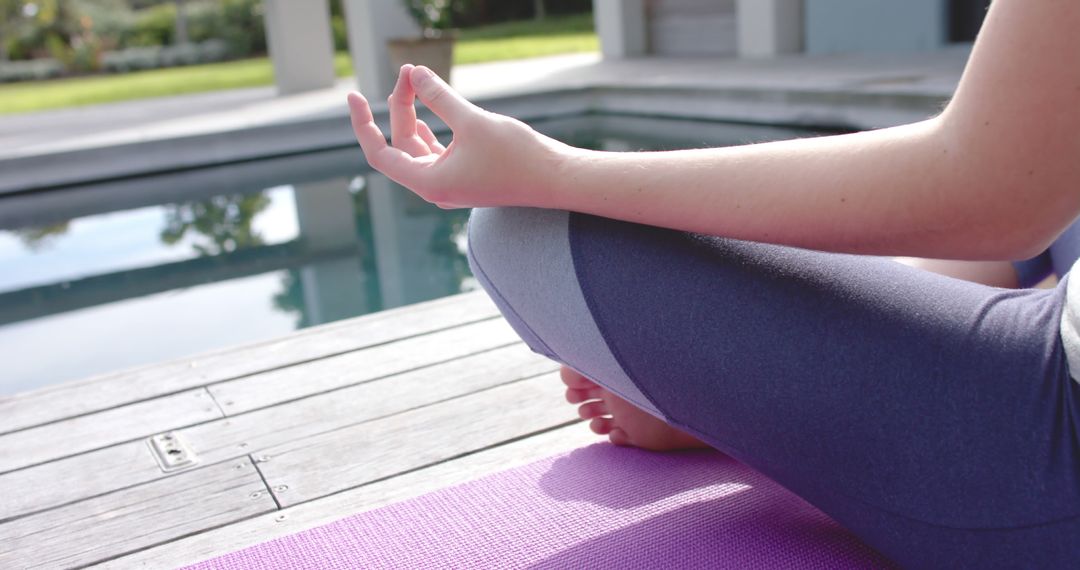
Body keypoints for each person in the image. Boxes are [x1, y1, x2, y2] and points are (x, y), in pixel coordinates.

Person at [346, 1, 1080, 567]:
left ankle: (767, 405)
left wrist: (549, 171)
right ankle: (782, 400)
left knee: (522, 232)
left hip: (1052, 447)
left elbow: (987, 193)